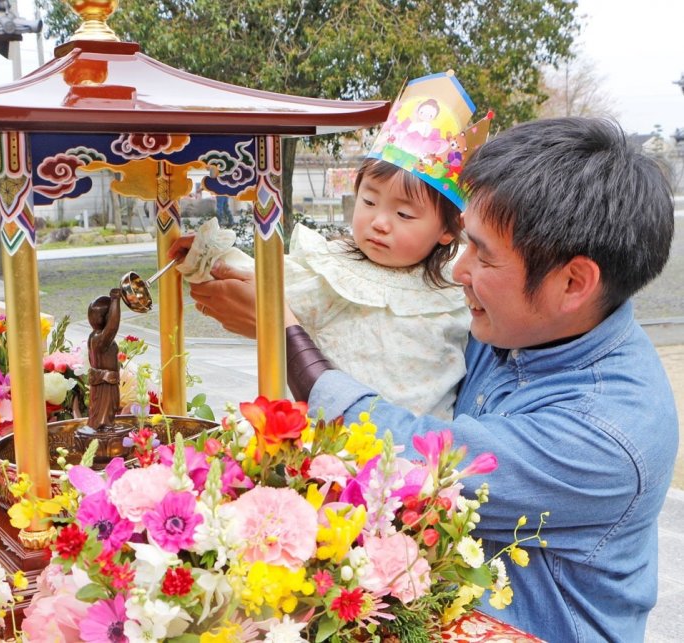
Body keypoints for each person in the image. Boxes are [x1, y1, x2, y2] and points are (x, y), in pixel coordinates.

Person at [186, 117, 677, 641]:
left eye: (482, 254)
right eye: (465, 243)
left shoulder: (607, 434)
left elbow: (413, 458)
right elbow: (386, 340)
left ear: (574, 282)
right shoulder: (525, 325)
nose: (458, 270)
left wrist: (283, 333)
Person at [177, 71, 490, 419]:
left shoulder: (459, 285)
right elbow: (266, 277)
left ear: (448, 230)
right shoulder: (331, 272)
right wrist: (208, 254)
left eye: (403, 213)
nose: (379, 222)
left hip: (424, 452)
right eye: (369, 202)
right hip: (337, 444)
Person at [86, 288, 122, 431]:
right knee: (106, 411)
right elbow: (113, 327)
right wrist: (115, 300)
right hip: (105, 384)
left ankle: (104, 425)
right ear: (106, 318)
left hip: (103, 382)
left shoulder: (93, 337)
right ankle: (104, 426)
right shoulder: (100, 339)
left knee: (106, 410)